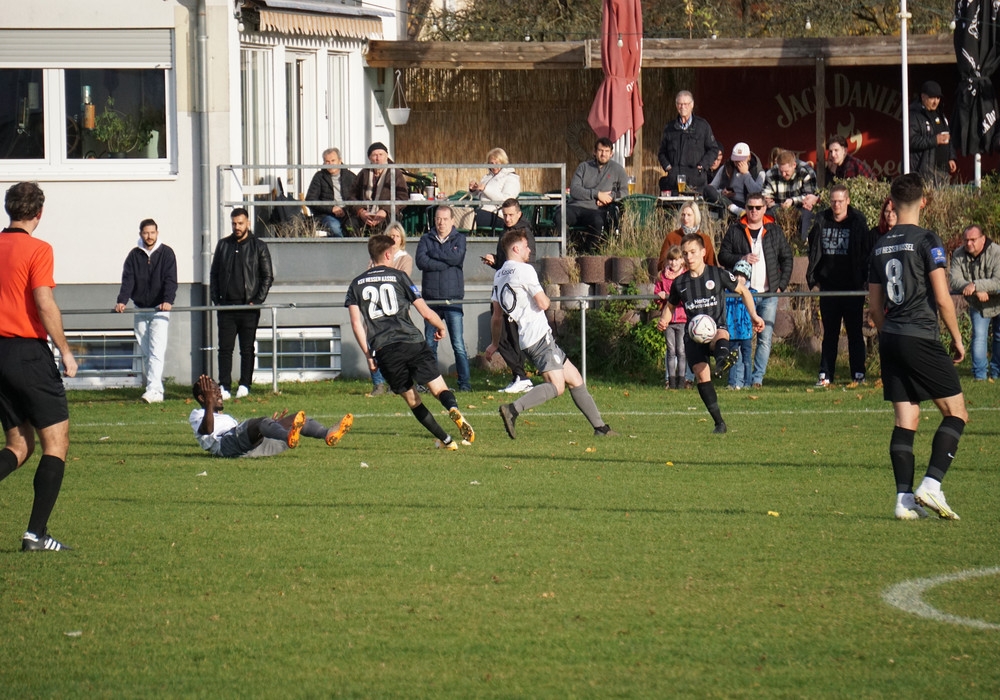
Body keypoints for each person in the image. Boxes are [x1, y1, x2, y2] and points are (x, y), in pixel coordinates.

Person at [868, 172, 967, 520]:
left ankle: (903, 500)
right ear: (924, 201)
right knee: (957, 412)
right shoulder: (927, 239)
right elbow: (942, 297)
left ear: (892, 203)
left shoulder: (879, 245)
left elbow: (874, 307)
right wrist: (957, 338)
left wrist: (889, 333)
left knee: (906, 417)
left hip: (891, 337)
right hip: (919, 335)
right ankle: (932, 484)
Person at [0, 182, 78, 552]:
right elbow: (44, 302)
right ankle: (36, 534)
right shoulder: (38, 249)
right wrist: (66, 351)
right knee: (56, 442)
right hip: (27, 353)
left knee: (18, 444)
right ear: (39, 214)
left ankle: (37, 534)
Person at [346, 234, 476, 450]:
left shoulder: (356, 284)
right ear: (388, 255)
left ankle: (447, 440)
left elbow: (356, 323)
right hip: (412, 341)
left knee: (413, 400)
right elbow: (425, 312)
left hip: (385, 349)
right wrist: (441, 326)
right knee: (438, 388)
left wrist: (369, 356)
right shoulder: (399, 276)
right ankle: (453, 409)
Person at [486, 229, 617, 439]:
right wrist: (546, 299)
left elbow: (496, 316)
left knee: (575, 378)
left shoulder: (499, 275)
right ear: (516, 249)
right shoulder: (525, 270)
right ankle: (513, 409)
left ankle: (601, 428)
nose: (529, 250)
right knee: (557, 386)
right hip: (538, 337)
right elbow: (543, 303)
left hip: (528, 338)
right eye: (526, 246)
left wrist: (494, 344)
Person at [657, 234, 764, 434]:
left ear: (703, 252)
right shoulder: (680, 282)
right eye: (685, 253)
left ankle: (723, 360)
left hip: (716, 328)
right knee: (701, 375)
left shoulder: (718, 274)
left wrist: (754, 316)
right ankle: (719, 423)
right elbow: (670, 306)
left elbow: (744, 291)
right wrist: (664, 320)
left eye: (693, 252)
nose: (689, 257)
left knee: (720, 334)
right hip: (693, 336)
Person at [718, 192, 793, 388]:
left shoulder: (774, 231)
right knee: (739, 338)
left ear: (764, 209)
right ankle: (738, 380)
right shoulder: (735, 230)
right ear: (746, 208)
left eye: (758, 208)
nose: (754, 211)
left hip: (768, 294)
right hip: (743, 295)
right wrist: (741, 258)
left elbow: (787, 258)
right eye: (750, 207)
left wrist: (781, 285)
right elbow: (722, 256)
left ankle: (757, 379)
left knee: (765, 339)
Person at [806, 184, 874, 387]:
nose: (836, 205)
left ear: (848, 201)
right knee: (830, 334)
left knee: (855, 334)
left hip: (852, 287)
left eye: (840, 201)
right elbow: (813, 248)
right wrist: (815, 276)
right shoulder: (821, 219)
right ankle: (825, 374)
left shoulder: (858, 221)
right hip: (829, 287)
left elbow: (865, 252)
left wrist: (863, 279)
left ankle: (858, 374)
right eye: (833, 201)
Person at [190, 375, 353, 457]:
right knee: (260, 422)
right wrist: (209, 403)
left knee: (296, 419)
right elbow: (207, 430)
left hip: (252, 449)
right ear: (202, 398)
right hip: (227, 444)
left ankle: (327, 433)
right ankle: (286, 435)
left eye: (218, 390)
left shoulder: (225, 417)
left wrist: (272, 426)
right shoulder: (197, 414)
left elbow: (244, 435)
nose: (219, 393)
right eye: (213, 392)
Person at [210, 207, 274, 400]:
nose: (237, 227)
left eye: (240, 223)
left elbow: (267, 276)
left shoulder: (258, 246)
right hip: (226, 307)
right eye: (234, 223)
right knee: (225, 349)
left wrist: (257, 301)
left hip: (248, 307)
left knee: (247, 349)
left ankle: (245, 384)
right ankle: (224, 386)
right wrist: (217, 300)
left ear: (248, 223)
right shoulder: (223, 245)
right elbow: (214, 274)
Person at [114, 218, 177, 403]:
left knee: (156, 349)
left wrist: (168, 300)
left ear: (157, 233)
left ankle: (152, 390)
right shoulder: (134, 255)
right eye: (146, 233)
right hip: (140, 308)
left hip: (159, 309)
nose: (149, 236)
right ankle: (157, 389)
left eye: (152, 232)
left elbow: (171, 279)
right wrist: (122, 300)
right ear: (141, 234)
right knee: (146, 350)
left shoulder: (166, 253)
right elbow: (128, 280)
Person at [415, 205, 472, 392]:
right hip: (431, 300)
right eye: (438, 219)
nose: (441, 223)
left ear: (452, 221)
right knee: (430, 344)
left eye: (445, 219)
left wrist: (434, 255)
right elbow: (421, 262)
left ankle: (465, 384)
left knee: (458, 344)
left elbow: (457, 259)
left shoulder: (460, 238)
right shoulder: (426, 239)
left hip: (452, 299)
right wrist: (445, 263)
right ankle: (431, 384)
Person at [481, 198, 535, 394]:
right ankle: (519, 376)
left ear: (519, 214)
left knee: (507, 335)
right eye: (505, 215)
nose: (507, 218)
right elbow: (508, 262)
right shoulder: (505, 231)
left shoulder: (524, 233)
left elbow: (528, 261)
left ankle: (521, 376)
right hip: (504, 287)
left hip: (513, 292)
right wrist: (495, 262)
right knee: (504, 335)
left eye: (511, 214)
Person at [364, 222, 414, 397]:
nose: (394, 239)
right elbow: (368, 278)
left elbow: (401, 279)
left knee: (397, 347)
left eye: (397, 236)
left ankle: (396, 383)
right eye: (391, 236)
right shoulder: (375, 258)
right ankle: (378, 383)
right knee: (373, 344)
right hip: (376, 308)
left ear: (402, 239)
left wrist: (382, 271)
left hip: (396, 309)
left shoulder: (405, 258)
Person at [948, 225, 1000, 381]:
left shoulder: (996, 252)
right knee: (979, 337)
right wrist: (975, 290)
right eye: (966, 240)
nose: (969, 243)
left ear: (983, 239)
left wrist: (976, 285)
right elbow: (954, 281)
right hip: (978, 304)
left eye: (973, 240)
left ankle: (996, 372)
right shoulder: (958, 254)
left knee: (999, 338)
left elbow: (998, 281)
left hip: (998, 302)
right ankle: (980, 375)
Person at [562, 137, 629, 253]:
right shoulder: (583, 167)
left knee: (598, 222)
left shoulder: (618, 170)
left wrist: (610, 197)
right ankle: (567, 251)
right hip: (576, 207)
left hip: (596, 210)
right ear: (594, 152)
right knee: (560, 216)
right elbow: (574, 190)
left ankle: (587, 253)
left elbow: (624, 192)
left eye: (607, 151)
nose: (603, 154)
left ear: (611, 154)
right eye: (600, 150)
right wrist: (597, 194)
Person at [656, 90, 720, 194]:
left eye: (686, 104)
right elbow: (662, 153)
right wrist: (668, 168)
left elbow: (713, 149)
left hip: (696, 183)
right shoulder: (669, 128)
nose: (683, 107)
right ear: (676, 105)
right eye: (680, 104)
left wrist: (702, 166)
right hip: (674, 183)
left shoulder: (702, 126)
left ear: (692, 105)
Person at [352, 142, 409, 235]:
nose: (378, 158)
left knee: (388, 226)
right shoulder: (364, 173)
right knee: (350, 224)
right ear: (369, 158)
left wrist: (385, 211)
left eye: (381, 154)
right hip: (365, 214)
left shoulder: (395, 173)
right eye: (374, 155)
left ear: (386, 156)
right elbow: (352, 195)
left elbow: (403, 197)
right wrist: (361, 211)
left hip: (387, 214)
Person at [762, 150, 819, 241]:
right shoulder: (771, 173)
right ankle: (767, 242)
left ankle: (803, 243)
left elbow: (810, 196)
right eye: (781, 171)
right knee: (765, 215)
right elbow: (765, 195)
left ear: (794, 165)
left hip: (801, 206)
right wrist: (769, 202)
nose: (783, 174)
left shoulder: (806, 172)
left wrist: (793, 201)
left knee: (806, 215)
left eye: (786, 171)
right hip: (778, 206)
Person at [908, 80, 957, 185]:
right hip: (925, 172)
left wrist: (951, 157)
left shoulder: (940, 114)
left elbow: (948, 137)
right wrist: (935, 140)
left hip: (943, 171)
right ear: (923, 97)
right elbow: (911, 140)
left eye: (938, 98)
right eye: (932, 98)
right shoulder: (914, 115)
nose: (935, 102)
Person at [654, 245, 687, 390]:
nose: (673, 263)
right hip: (668, 320)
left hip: (682, 319)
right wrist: (660, 296)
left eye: (676, 260)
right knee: (671, 350)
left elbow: (687, 296)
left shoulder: (685, 276)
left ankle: (682, 379)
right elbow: (657, 294)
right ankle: (671, 380)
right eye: (671, 260)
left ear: (682, 261)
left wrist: (674, 297)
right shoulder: (662, 276)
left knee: (681, 351)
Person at [305, 147, 358, 237]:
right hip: (326, 214)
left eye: (333, 160)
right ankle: (341, 245)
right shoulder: (319, 177)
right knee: (334, 227)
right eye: (327, 161)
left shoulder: (350, 177)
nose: (330, 164)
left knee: (352, 227)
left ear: (340, 161)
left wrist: (344, 210)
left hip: (348, 213)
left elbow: (357, 198)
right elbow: (310, 199)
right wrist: (331, 208)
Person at [468, 147, 521, 231]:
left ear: (503, 162)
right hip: (482, 210)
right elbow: (479, 195)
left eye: (497, 163)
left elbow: (507, 201)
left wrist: (485, 189)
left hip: (498, 214)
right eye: (491, 163)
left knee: (469, 219)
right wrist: (474, 190)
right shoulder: (487, 177)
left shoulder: (511, 178)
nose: (494, 166)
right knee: (461, 216)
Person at [707, 142, 765, 218]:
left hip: (745, 204)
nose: (738, 163)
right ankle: (733, 208)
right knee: (707, 189)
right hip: (726, 201)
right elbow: (712, 188)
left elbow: (756, 194)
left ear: (749, 157)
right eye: (735, 160)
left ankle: (735, 210)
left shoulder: (759, 172)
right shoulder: (726, 168)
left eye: (741, 160)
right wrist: (722, 192)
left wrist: (746, 174)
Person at [656, 202, 716, 272]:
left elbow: (712, 265)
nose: (685, 218)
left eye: (689, 215)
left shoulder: (705, 239)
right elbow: (661, 265)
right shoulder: (671, 237)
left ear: (695, 216)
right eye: (683, 215)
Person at [725, 260, 755, 390]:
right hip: (732, 331)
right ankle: (732, 382)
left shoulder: (751, 293)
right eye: (736, 275)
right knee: (732, 358)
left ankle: (747, 382)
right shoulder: (728, 292)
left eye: (742, 276)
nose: (738, 278)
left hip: (745, 332)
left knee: (746, 359)